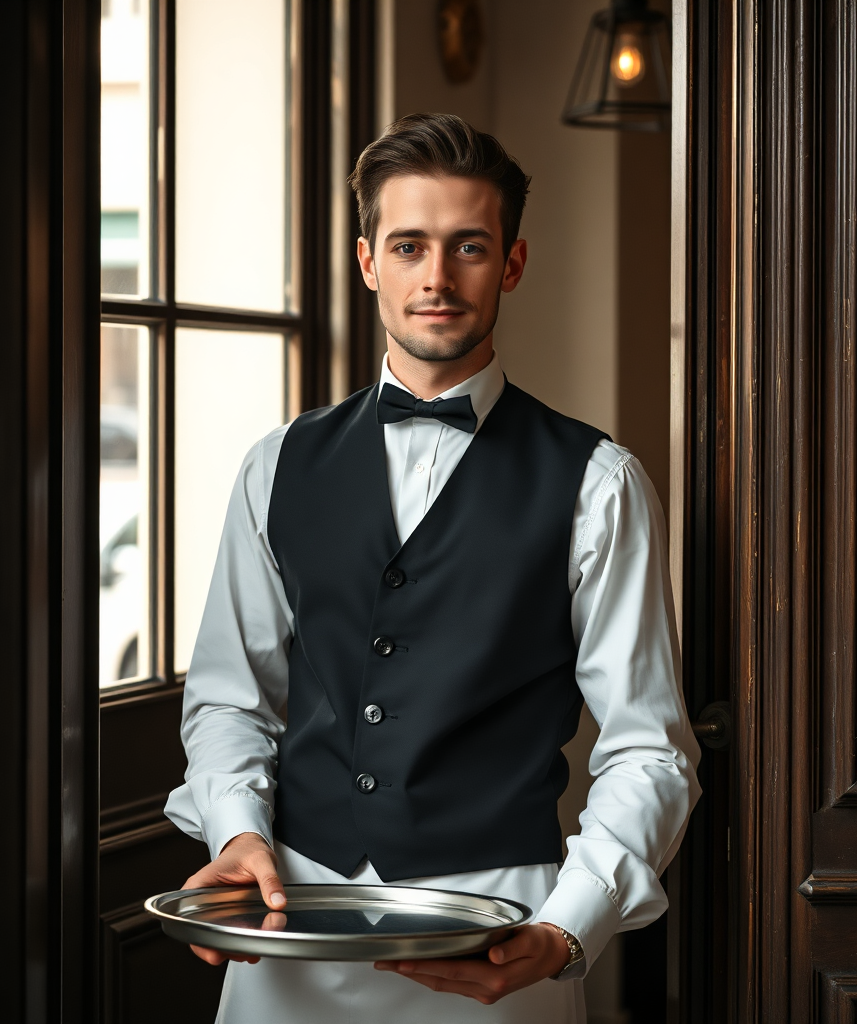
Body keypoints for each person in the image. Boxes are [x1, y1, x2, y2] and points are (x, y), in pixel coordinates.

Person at [164, 112, 700, 1024]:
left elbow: (649, 748)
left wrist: (567, 927)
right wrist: (237, 832)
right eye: (409, 246)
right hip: (293, 916)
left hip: (496, 932)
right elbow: (228, 701)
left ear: (513, 264)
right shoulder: (276, 465)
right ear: (369, 261)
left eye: (469, 247)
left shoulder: (599, 483)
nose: (438, 278)